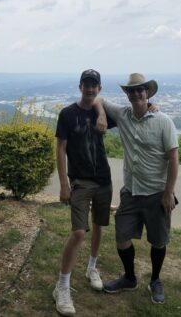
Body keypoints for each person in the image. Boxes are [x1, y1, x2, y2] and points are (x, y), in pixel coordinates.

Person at [93, 73, 179, 305]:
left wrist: (169, 192)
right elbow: (98, 99)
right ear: (127, 94)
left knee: (158, 241)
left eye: (140, 90)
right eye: (131, 90)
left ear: (147, 93)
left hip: (157, 193)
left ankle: (156, 280)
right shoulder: (123, 115)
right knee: (122, 237)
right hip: (131, 191)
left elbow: (173, 158)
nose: (136, 93)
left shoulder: (163, 121)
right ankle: (130, 278)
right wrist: (101, 114)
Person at [52, 69, 115, 317]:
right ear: (80, 87)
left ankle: (91, 268)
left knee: (99, 224)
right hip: (79, 181)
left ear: (99, 88)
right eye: (86, 85)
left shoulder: (105, 112)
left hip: (103, 179)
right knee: (79, 232)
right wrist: (64, 184)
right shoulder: (67, 114)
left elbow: (132, 114)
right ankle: (62, 286)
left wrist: (152, 106)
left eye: (94, 85)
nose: (90, 89)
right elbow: (60, 149)